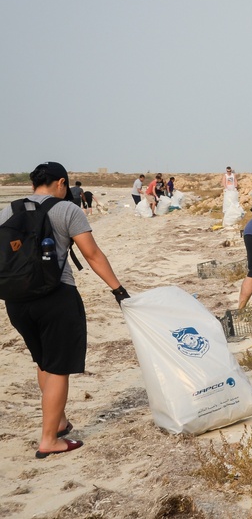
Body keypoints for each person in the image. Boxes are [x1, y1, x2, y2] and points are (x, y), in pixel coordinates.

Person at [0, 161, 129, 458]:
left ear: (34, 183)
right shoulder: (66, 210)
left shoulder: (8, 210)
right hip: (56, 297)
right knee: (59, 367)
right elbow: (92, 254)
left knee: (44, 362)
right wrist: (117, 289)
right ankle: (49, 440)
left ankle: (58, 422)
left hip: (16, 301)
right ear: (60, 183)